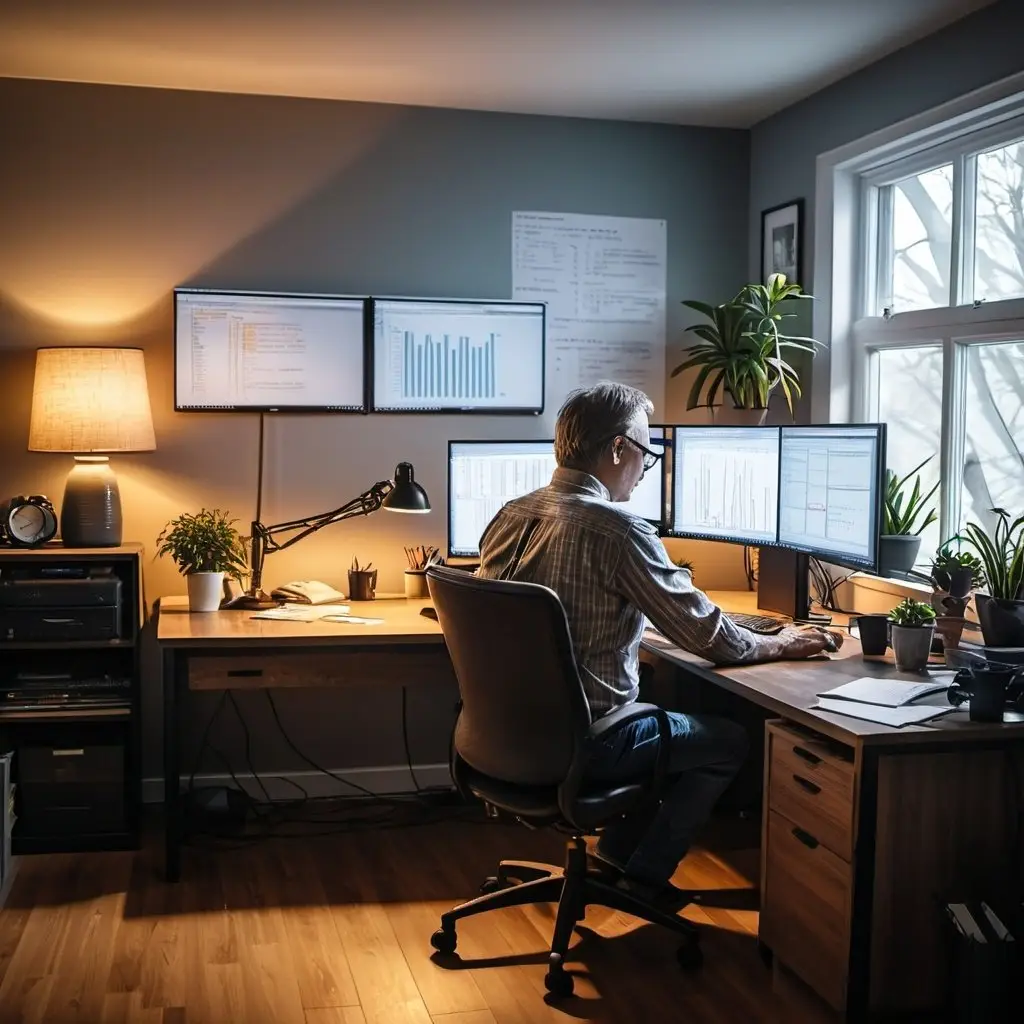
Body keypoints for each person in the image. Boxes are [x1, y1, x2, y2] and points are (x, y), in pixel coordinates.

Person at [477, 381, 835, 907]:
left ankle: (615, 861)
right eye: (645, 453)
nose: (646, 470)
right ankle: (640, 877)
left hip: (503, 737)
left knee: (668, 709)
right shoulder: (620, 532)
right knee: (729, 741)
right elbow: (713, 639)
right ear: (618, 448)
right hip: (592, 743)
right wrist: (784, 643)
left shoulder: (510, 514)